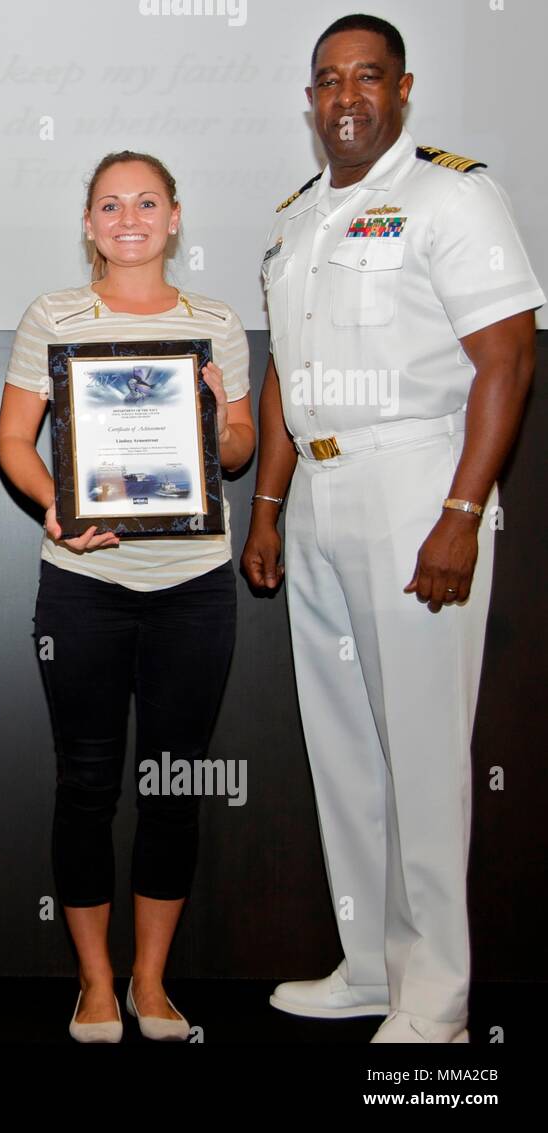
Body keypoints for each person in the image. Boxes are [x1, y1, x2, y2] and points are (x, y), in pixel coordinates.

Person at [242, 14, 541, 1043]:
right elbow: (286, 373)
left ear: (402, 91)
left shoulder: (450, 193)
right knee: (346, 750)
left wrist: (461, 511)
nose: (345, 97)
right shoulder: (296, 219)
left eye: (366, 78)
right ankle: (369, 962)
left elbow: (505, 354)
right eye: (327, 81)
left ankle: (437, 998)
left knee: (420, 750)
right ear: (311, 99)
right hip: (319, 491)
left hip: (418, 479)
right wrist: (268, 508)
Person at [0, 151, 254, 1042]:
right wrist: (57, 507)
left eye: (147, 202)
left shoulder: (216, 321)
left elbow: (235, 455)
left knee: (172, 787)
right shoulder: (53, 315)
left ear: (175, 216)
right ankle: (95, 983)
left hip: (194, 586)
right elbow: (13, 442)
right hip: (84, 585)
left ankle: (152, 982)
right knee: (88, 786)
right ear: (89, 221)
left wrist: (222, 413)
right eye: (111, 204)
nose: (130, 217)